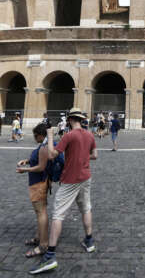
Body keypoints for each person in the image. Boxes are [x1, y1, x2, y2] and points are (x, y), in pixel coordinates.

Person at [29, 108, 97, 274]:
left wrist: (50, 136)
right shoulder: (89, 135)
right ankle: (89, 241)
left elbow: (52, 154)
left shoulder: (69, 136)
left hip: (70, 180)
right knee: (86, 208)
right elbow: (95, 155)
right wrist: (81, 158)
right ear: (81, 120)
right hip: (86, 177)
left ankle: (50, 255)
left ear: (69, 120)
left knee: (58, 215)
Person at [16, 124, 50, 258]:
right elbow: (40, 160)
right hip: (39, 182)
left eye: (36, 135)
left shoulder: (43, 147)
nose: (35, 138)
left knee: (41, 212)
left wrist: (24, 170)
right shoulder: (44, 145)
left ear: (41, 135)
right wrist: (28, 160)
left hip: (39, 183)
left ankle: (43, 244)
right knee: (39, 212)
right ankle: (39, 237)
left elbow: (41, 167)